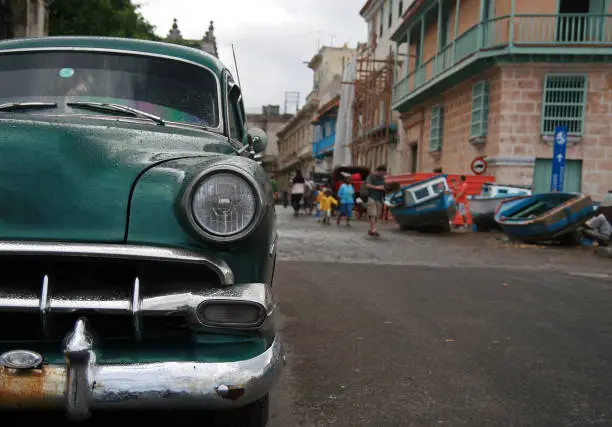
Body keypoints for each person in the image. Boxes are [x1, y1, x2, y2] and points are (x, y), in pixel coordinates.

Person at [364, 165, 387, 237]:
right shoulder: (371, 176)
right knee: (373, 213)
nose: (383, 174)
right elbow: (367, 185)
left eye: (384, 173)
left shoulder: (382, 178)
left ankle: (371, 229)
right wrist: (377, 187)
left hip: (379, 199)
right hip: (371, 197)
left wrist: (385, 189)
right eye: (382, 173)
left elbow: (383, 187)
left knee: (377, 215)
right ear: (379, 171)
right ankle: (373, 229)